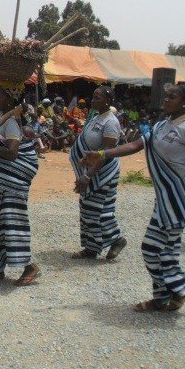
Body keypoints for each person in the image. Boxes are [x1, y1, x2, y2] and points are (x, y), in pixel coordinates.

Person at [80, 82, 185, 312]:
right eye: (167, 95)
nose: (166, 99)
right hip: (164, 201)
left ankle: (178, 288)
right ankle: (163, 297)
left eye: (173, 97)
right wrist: (101, 153)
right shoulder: (160, 126)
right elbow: (135, 146)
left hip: (179, 200)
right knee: (163, 250)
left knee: (152, 248)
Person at [0, 79, 40, 286]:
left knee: (12, 226)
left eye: (1, 95)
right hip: (0, 185)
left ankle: (30, 267)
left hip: (10, 186)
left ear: (10, 98)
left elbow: (12, 154)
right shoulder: (4, 117)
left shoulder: (11, 123)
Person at [69, 86, 127, 260]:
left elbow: (106, 153)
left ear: (108, 101)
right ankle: (91, 247)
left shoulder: (111, 122)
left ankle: (116, 239)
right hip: (90, 169)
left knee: (98, 210)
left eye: (97, 98)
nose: (93, 101)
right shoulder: (95, 117)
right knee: (87, 208)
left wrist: (88, 176)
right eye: (93, 97)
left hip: (103, 172)